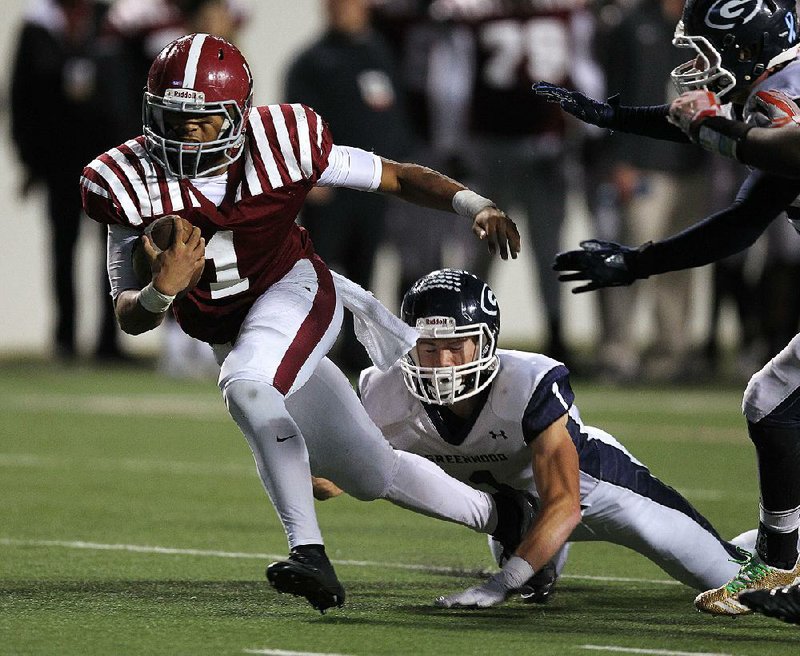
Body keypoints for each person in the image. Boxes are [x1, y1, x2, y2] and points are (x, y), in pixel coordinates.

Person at [79, 33, 522, 613]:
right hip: (230, 330)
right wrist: (162, 293)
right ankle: (500, 513)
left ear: (237, 116)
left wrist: (475, 204)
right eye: (172, 117)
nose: (186, 132)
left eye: (203, 120)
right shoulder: (124, 180)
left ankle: (308, 553)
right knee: (368, 470)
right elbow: (127, 313)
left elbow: (393, 176)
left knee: (249, 388)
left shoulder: (282, 142)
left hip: (295, 290)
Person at [533, 0, 800, 615]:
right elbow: (742, 195)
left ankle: (782, 563)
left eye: (706, 52)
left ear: (743, 47)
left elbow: (781, 156)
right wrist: (614, 118)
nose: (696, 68)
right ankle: (782, 553)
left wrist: (637, 261)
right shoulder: (774, 88)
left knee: (774, 399)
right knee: (778, 400)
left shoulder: (784, 96)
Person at [352, 268, 752, 609]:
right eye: (428, 347)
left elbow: (564, 504)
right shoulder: (384, 392)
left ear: (485, 342)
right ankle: (534, 558)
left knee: (736, 585)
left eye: (456, 346)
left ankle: (784, 539)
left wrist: (501, 583)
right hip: (518, 514)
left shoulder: (525, 383)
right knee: (531, 577)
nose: (442, 363)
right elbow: (345, 472)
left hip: (598, 493)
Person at [285, 0, 412, 373]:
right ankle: (309, 350)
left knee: (364, 273)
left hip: (373, 190)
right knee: (319, 274)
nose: (343, 9)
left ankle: (357, 355)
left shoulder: (382, 54)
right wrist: (307, 177)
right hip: (331, 187)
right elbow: (295, 125)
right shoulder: (312, 61)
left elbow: (394, 118)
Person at [10, 0, 126, 361]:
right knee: (63, 250)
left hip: (110, 163)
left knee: (114, 253)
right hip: (60, 163)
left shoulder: (112, 21)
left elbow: (129, 87)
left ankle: (110, 340)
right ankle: (65, 339)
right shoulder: (37, 27)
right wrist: (29, 161)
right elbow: (20, 98)